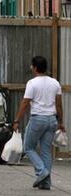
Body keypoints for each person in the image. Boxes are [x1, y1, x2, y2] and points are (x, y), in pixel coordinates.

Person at [13, 56, 65, 190]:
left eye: (32, 66)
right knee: (46, 151)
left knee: (28, 147)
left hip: (38, 119)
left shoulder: (32, 83)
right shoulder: (55, 83)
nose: (31, 68)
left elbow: (25, 103)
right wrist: (60, 122)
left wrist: (17, 120)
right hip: (52, 120)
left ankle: (42, 172)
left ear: (35, 67)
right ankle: (46, 183)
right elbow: (59, 105)